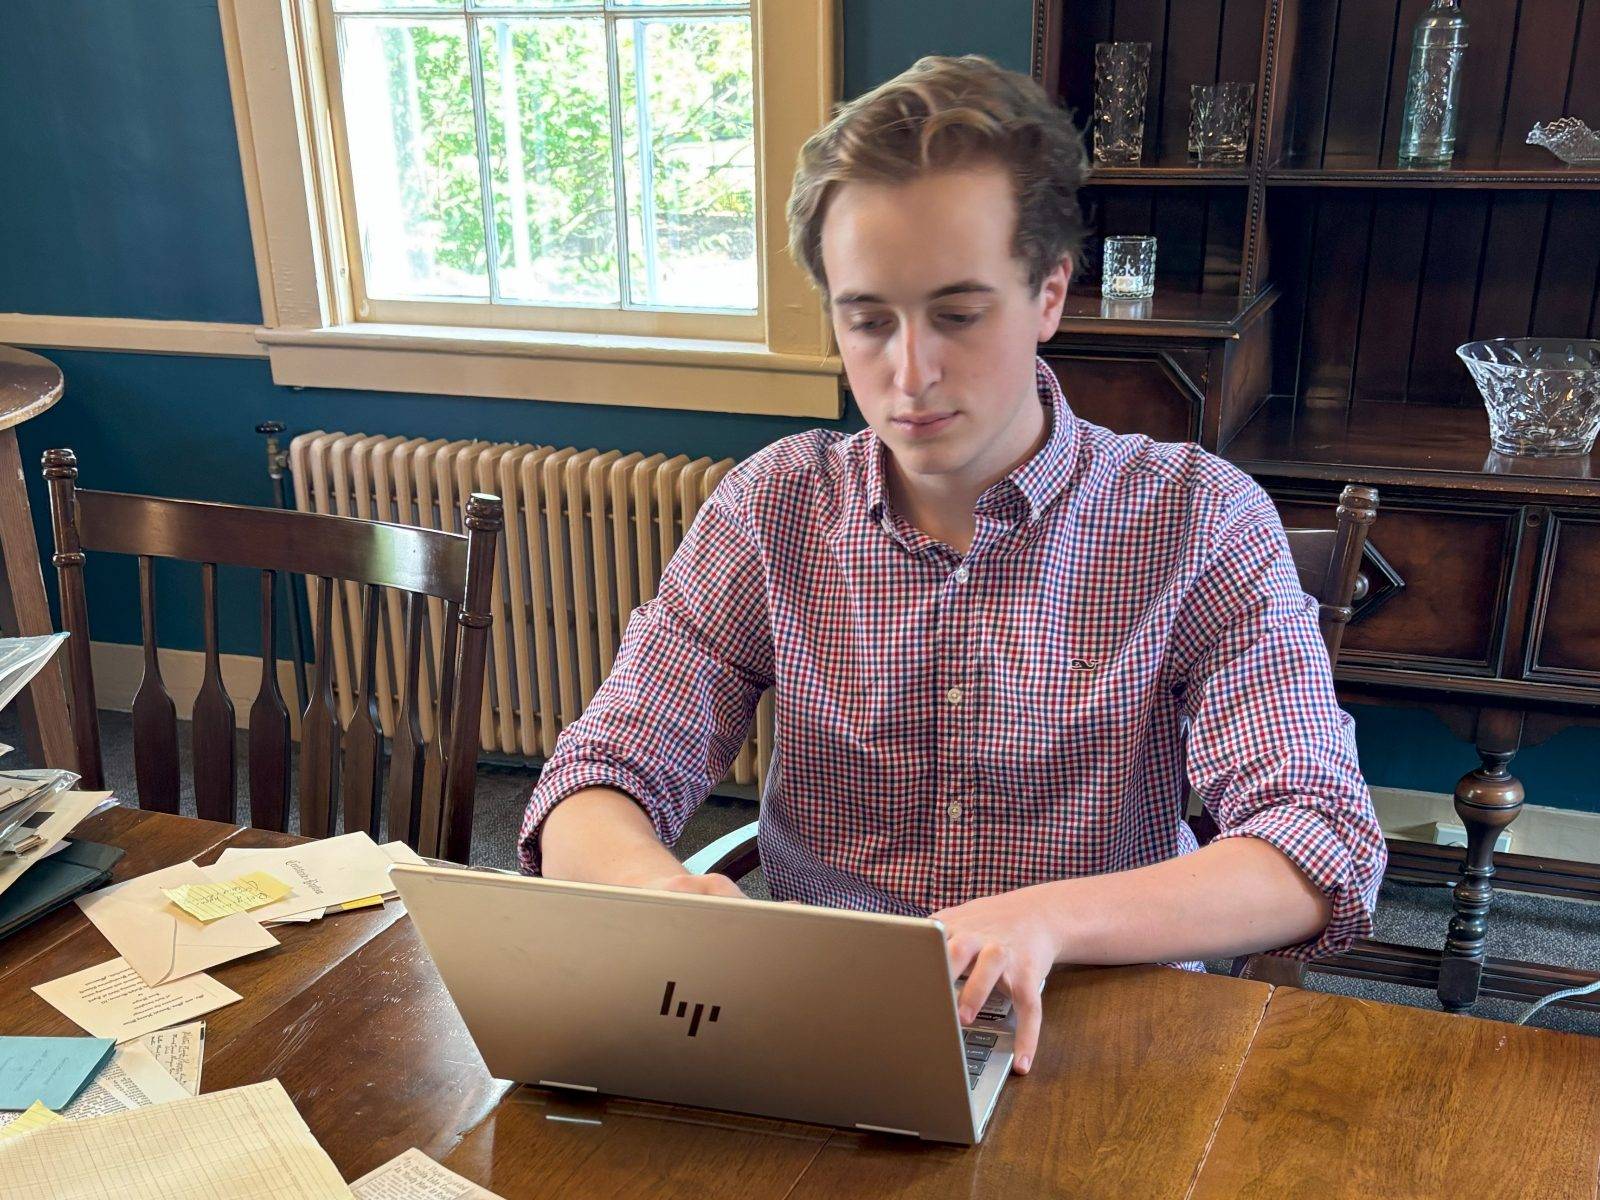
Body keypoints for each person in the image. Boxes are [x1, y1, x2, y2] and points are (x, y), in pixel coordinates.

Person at [518, 54, 1386, 1075]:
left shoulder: (1196, 517)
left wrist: (1045, 922)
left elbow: (1318, 840)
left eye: (959, 315)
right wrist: (654, 892)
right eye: (868, 319)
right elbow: (598, 773)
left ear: (1049, 295)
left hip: (1095, 1013)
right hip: (824, 1017)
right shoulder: (772, 507)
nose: (909, 373)